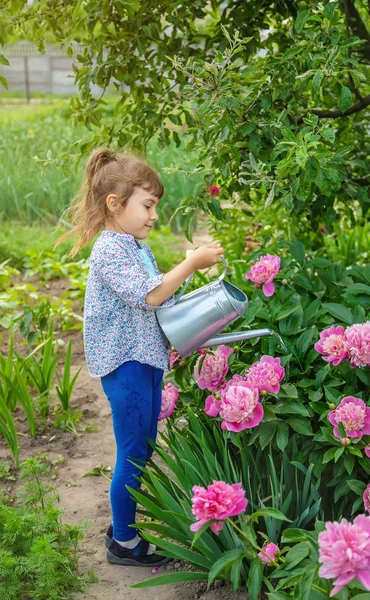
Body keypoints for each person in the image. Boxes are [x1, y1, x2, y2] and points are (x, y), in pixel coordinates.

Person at [56, 148, 224, 567]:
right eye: (147, 205)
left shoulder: (133, 246)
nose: (153, 215)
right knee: (133, 450)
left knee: (144, 446)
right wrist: (191, 262)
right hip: (125, 364)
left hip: (145, 359)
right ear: (115, 204)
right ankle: (123, 544)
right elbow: (150, 294)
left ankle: (124, 527)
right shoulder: (110, 250)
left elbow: (156, 301)